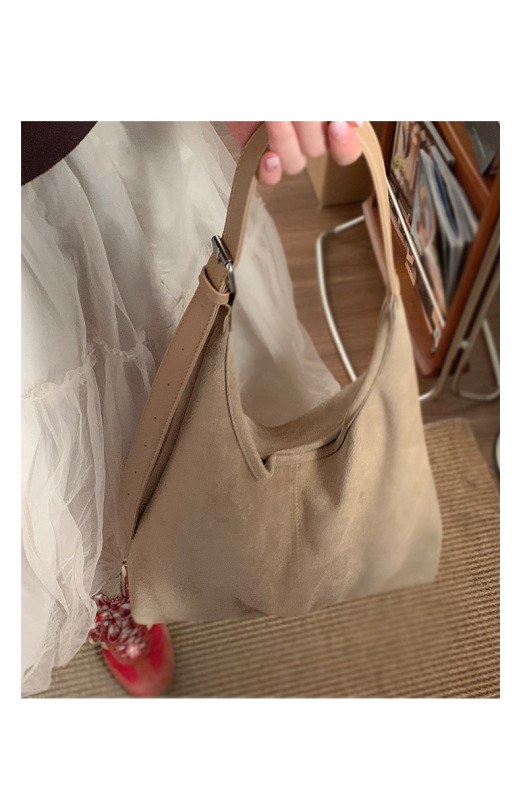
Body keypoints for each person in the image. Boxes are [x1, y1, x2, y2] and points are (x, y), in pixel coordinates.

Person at [21, 121, 363, 697]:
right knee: (54, 465)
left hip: (92, 134)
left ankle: (171, 545)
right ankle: (112, 598)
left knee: (169, 364)